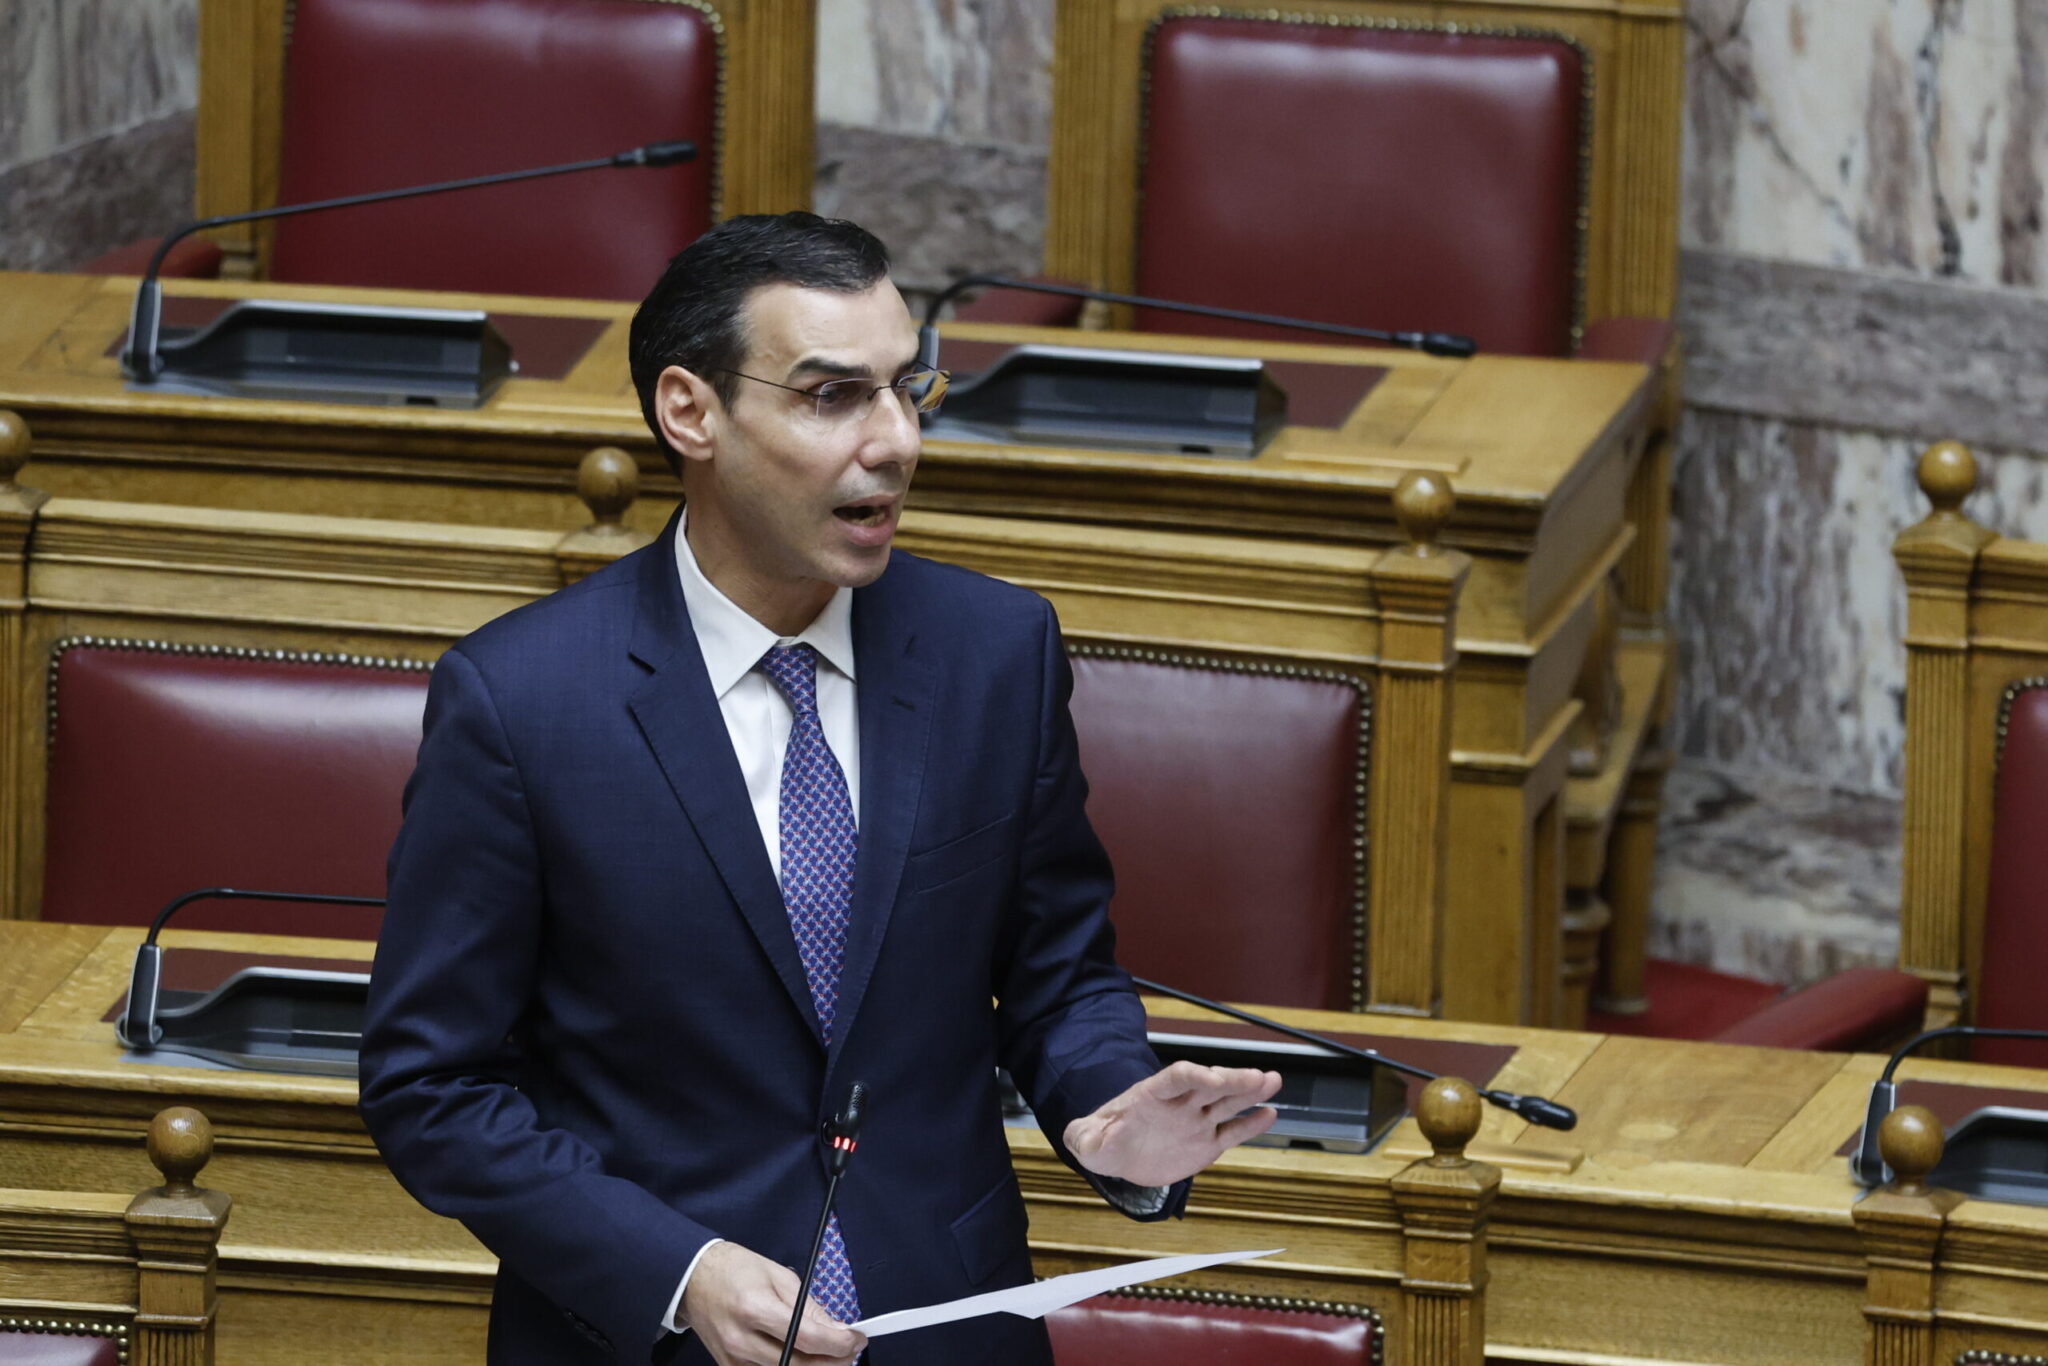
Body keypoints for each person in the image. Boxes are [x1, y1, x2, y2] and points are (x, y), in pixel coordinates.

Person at [357, 212, 1281, 1366]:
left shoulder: (994, 652)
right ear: (690, 412)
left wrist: (1109, 1113)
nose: (895, 441)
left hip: (942, 1325)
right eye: (832, 395)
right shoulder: (522, 700)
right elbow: (432, 1083)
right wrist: (674, 1268)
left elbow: (1059, 978)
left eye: (907, 388)